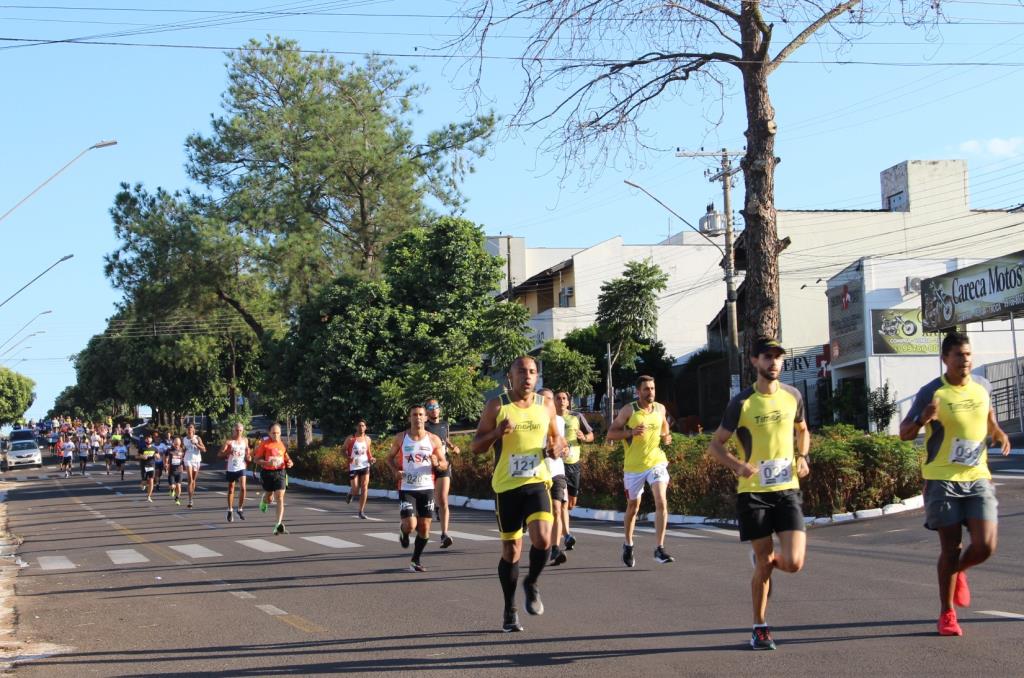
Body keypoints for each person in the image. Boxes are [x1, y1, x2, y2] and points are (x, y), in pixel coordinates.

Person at [899, 331, 1010, 637]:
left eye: (969, 354)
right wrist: (922, 419)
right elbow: (904, 433)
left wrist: (998, 432)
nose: (966, 360)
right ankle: (947, 613)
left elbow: (987, 416)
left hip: (977, 477)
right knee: (951, 549)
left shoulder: (983, 386)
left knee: (986, 545)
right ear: (945, 359)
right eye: (959, 355)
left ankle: (958, 572)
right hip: (941, 479)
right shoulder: (931, 392)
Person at [707, 337, 811, 651]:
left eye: (778, 357)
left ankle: (762, 562)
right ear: (754, 361)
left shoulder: (793, 395)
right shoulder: (741, 403)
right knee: (765, 562)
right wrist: (737, 465)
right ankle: (760, 626)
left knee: (793, 563)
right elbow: (715, 445)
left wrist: (802, 457)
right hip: (753, 493)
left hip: (787, 490)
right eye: (767, 357)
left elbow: (803, 430)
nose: (774, 363)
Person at [472, 356, 565, 633]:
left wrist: (556, 448)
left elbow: (556, 439)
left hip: (537, 481)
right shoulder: (497, 406)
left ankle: (532, 582)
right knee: (512, 551)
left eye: (532, 372)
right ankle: (509, 609)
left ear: (537, 377)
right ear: (510, 376)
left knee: (544, 537)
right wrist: (497, 433)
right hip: (506, 486)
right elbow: (476, 446)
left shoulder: (546, 405)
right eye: (522, 371)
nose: (527, 376)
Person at [607, 375, 675, 567]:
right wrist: (630, 432)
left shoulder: (660, 408)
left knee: (661, 500)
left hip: (656, 462)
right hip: (634, 467)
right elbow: (611, 433)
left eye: (652, 388)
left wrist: (666, 437)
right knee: (633, 508)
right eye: (646, 389)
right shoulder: (629, 410)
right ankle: (628, 544)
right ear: (638, 392)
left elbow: (665, 426)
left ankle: (659, 548)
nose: (650, 392)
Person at [389, 405, 447, 572]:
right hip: (407, 487)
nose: (418, 417)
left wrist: (438, 463)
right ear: (409, 418)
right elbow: (389, 458)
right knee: (410, 525)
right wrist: (395, 471)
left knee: (425, 527)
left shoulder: (433, 439)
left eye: (421, 414)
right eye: (414, 414)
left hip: (427, 487)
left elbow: (444, 463)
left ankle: (415, 560)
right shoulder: (401, 438)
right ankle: (404, 532)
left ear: (426, 417)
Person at [555, 390, 594, 553]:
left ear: (569, 402)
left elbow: (591, 435)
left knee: (571, 504)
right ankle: (567, 535)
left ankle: (561, 528)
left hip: (574, 464)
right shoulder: (551, 418)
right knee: (562, 504)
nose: (561, 401)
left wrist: (584, 438)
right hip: (558, 465)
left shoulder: (577, 417)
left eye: (564, 398)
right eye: (558, 398)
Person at [425, 398, 461, 549]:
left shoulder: (445, 424)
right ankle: (437, 509)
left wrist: (453, 447)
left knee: (443, 499)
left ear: (439, 409)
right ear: (426, 410)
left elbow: (445, 439)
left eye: (436, 406)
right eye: (430, 407)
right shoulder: (424, 426)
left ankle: (444, 534)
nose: (434, 409)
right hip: (427, 466)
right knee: (432, 498)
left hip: (443, 464)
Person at [539, 389, 569, 567]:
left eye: (551, 399)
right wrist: (545, 451)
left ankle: (556, 547)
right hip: (538, 473)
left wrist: (564, 449)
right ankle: (543, 545)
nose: (549, 403)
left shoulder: (559, 420)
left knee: (557, 509)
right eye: (545, 400)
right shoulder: (532, 420)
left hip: (557, 470)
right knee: (544, 514)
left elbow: (562, 442)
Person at [255, 423, 293, 535]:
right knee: (270, 498)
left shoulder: (283, 444)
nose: (276, 435)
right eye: (273, 433)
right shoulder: (265, 444)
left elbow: (287, 458)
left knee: (280, 497)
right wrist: (267, 462)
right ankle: (264, 500)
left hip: (280, 472)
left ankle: (278, 524)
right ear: (269, 433)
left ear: (280, 433)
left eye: (277, 433)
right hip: (267, 473)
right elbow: (256, 460)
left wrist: (290, 462)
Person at [220, 423, 251, 523]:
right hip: (231, 468)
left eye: (240, 430)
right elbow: (220, 454)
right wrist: (228, 452)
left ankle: (240, 509)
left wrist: (248, 456)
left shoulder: (245, 440)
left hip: (241, 467)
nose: (238, 432)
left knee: (243, 488)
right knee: (231, 489)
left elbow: (247, 450)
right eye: (237, 430)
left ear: (243, 431)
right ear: (233, 431)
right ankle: (230, 510)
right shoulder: (229, 442)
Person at [343, 419, 375, 519]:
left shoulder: (368, 439)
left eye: (363, 425)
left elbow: (368, 452)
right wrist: (348, 457)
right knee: (356, 490)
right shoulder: (351, 439)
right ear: (356, 427)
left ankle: (361, 511)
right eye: (359, 425)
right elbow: (342, 450)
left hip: (365, 465)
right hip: (353, 467)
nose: (361, 427)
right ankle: (351, 493)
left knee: (365, 487)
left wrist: (371, 458)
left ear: (366, 427)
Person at [183, 424, 206, 509]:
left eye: (191, 428)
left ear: (193, 430)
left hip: (196, 460)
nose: (189, 430)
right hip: (187, 459)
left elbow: (204, 449)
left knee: (193, 480)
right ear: (187, 430)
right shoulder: (184, 439)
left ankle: (192, 495)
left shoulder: (197, 438)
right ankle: (190, 500)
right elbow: (183, 450)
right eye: (188, 428)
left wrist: (196, 444)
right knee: (190, 480)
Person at [165, 436, 185, 506]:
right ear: (173, 443)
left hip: (179, 471)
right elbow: (165, 456)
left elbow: (184, 458)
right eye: (175, 444)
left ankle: (177, 499)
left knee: (179, 486)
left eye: (178, 444)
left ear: (180, 443)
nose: (177, 445)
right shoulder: (169, 450)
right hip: (171, 471)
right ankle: (172, 490)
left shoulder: (182, 450)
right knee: (172, 486)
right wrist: (166, 464)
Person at [139, 436, 158, 503]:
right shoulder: (142, 448)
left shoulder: (154, 448)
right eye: (147, 441)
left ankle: (149, 496)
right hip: (144, 466)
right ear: (145, 441)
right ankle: (143, 484)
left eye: (150, 442)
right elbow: (137, 456)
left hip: (152, 466)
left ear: (151, 441)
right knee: (144, 482)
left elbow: (158, 456)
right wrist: (142, 456)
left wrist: (156, 456)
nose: (149, 443)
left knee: (151, 481)